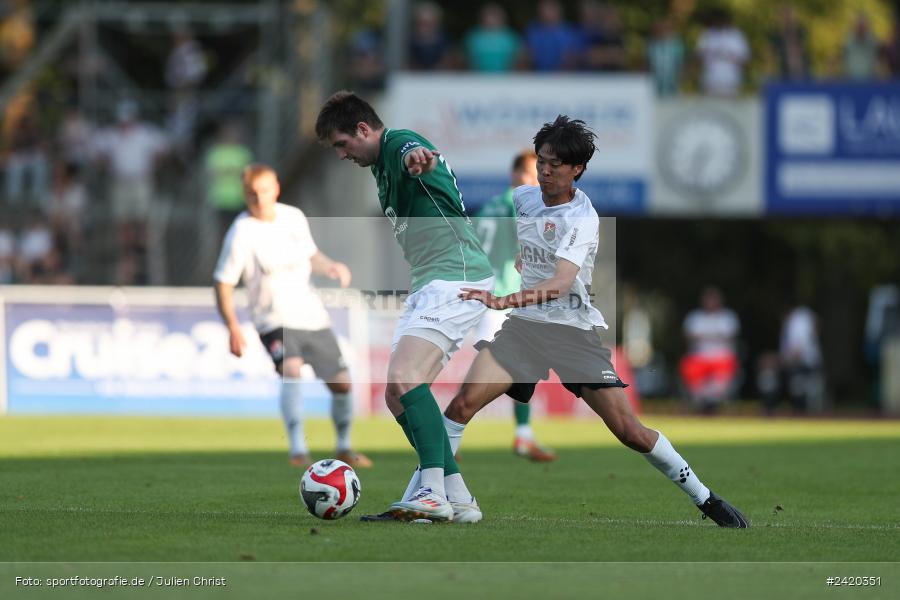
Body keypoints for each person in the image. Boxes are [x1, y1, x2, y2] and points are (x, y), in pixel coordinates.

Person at [444, 116, 749, 528]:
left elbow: (560, 283)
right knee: (461, 406)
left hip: (572, 335)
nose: (546, 170)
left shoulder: (582, 217)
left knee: (629, 431)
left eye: (555, 164)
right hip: (525, 329)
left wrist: (504, 298)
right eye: (542, 161)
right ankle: (431, 494)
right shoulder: (524, 199)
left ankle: (705, 498)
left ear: (577, 170)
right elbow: (489, 220)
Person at [316, 91, 494, 523]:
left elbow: (417, 153)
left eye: (342, 144)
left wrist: (420, 158)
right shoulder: (379, 165)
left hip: (458, 276)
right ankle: (459, 496)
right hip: (431, 282)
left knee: (405, 378)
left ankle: (430, 492)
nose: (342, 154)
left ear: (363, 130)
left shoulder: (398, 144)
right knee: (396, 394)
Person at [213, 163, 372, 470]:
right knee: (292, 371)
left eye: (265, 191)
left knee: (342, 384)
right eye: (252, 193)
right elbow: (223, 281)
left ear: (276, 189)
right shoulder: (241, 231)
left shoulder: (293, 217)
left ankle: (344, 446)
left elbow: (310, 254)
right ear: (245, 195)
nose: (259, 199)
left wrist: (330, 267)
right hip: (272, 319)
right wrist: (232, 325)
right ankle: (299, 449)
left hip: (312, 315)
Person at [474, 149, 556, 462]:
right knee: (497, 370)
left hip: (476, 292)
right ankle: (447, 434)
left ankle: (523, 435)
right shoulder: (518, 202)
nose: (540, 181)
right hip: (501, 298)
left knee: (521, 364)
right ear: (521, 175)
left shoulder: (488, 206)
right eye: (536, 174)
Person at [680, 286, 740, 413]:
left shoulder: (727, 318)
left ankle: (713, 399)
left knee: (723, 375)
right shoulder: (694, 318)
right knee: (690, 368)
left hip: (721, 359)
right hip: (699, 359)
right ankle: (703, 401)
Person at [696, 8, 749, 97]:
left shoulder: (736, 36)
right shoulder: (707, 35)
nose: (718, 22)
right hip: (709, 80)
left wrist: (729, 56)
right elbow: (698, 56)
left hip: (731, 81)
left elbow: (745, 59)